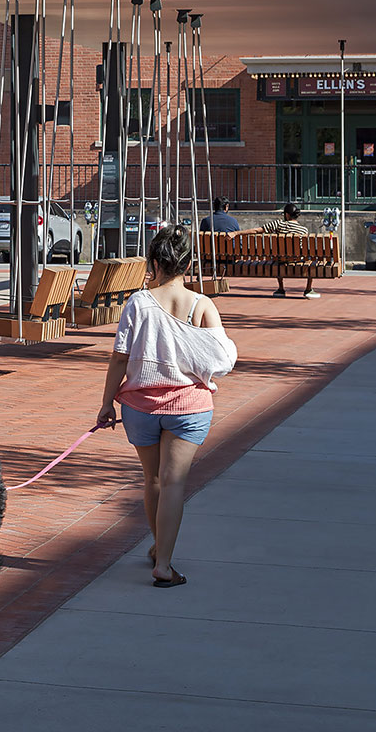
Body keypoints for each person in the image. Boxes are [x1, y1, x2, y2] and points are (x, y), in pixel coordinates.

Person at [96, 226, 236, 589]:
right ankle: (164, 563)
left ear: (154, 263)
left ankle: (159, 545)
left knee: (153, 479)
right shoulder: (202, 305)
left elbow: (119, 358)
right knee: (174, 483)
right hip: (189, 406)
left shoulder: (137, 303)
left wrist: (107, 403)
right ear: (188, 264)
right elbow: (221, 359)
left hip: (140, 407)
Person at [260, 202, 316, 297]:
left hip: (280, 261)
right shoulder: (303, 230)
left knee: (278, 254)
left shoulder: (278, 225)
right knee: (311, 257)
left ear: (287, 215)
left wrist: (236, 233)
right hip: (298, 260)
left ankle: (281, 288)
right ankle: (308, 289)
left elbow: (258, 230)